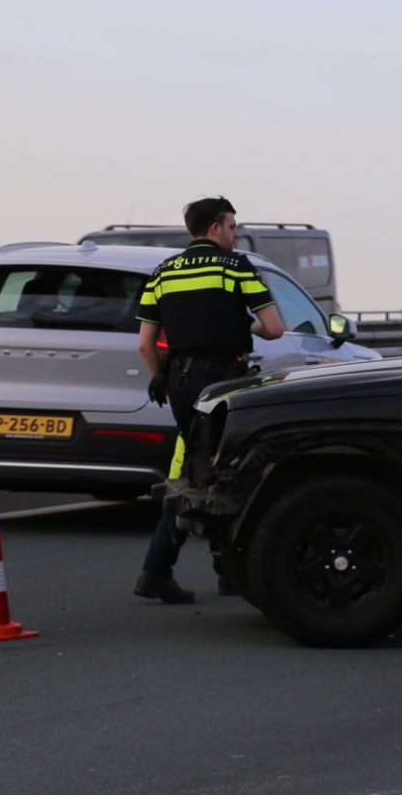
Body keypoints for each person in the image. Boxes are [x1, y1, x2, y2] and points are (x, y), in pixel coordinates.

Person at [133, 197, 283, 604]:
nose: (236, 234)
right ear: (215, 228)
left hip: (179, 384)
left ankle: (187, 571)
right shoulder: (235, 266)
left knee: (197, 472)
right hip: (223, 386)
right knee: (225, 474)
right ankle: (209, 571)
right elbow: (275, 328)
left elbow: (145, 344)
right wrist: (239, 322)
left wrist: (162, 379)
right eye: (232, 226)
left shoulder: (163, 272)